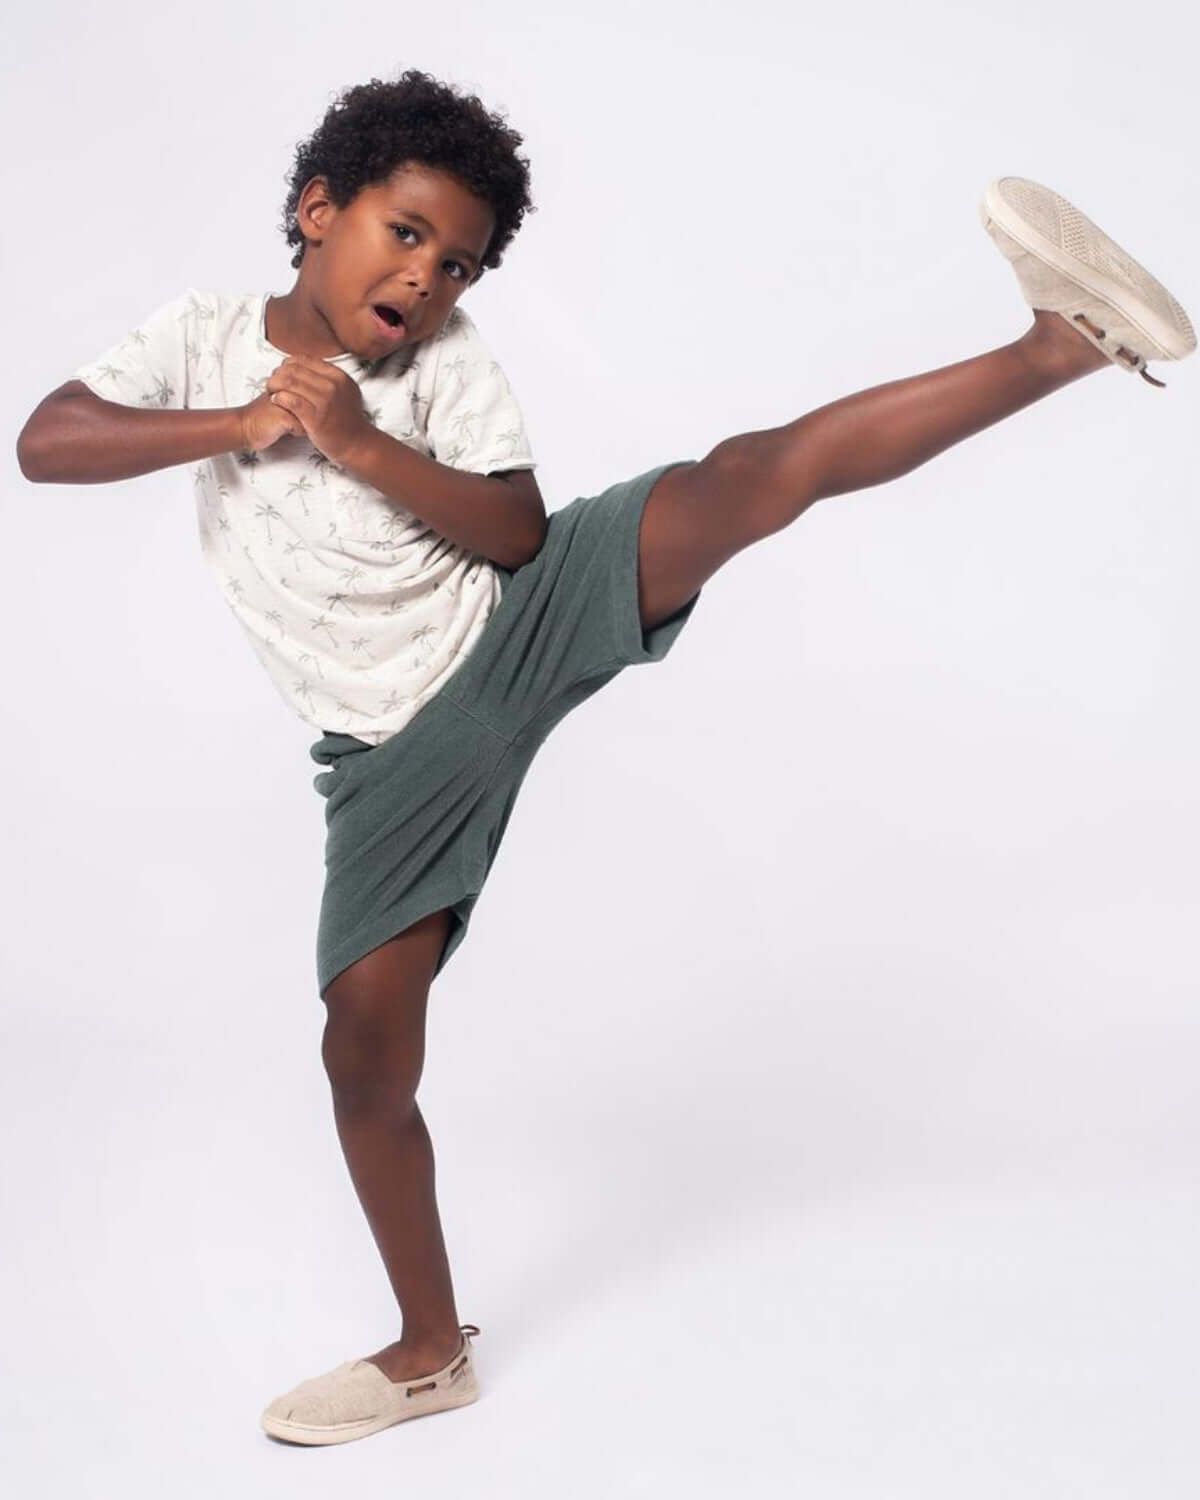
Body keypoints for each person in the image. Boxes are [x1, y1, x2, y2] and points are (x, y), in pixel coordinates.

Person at [16, 69, 1195, 1448]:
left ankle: (1060, 345)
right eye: (404, 233)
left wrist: (354, 442)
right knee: (363, 1058)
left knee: (749, 477)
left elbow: (515, 534)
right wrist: (243, 424)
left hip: (514, 623)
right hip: (390, 759)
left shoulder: (446, 372)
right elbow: (49, 441)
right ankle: (427, 1352)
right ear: (315, 209)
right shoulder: (203, 340)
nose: (427, 277)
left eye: (457, 262)